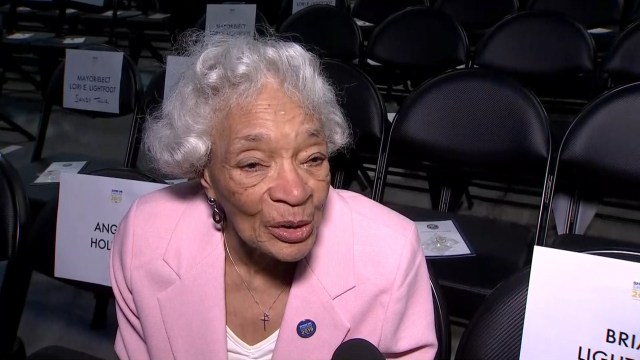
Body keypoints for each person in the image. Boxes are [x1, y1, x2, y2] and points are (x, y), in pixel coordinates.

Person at [110, 34, 437, 360]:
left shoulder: (390, 254)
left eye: (312, 158)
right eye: (253, 164)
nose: (296, 192)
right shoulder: (145, 238)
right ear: (205, 174)